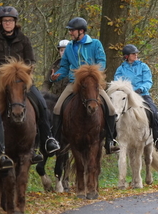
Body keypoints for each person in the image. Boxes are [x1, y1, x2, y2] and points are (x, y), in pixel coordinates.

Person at [0, 6, 61, 162]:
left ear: (15, 22)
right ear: (0, 23)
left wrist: (22, 72)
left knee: (42, 103)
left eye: (10, 21)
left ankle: (47, 139)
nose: (7, 23)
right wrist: (1, 72)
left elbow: (31, 61)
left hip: (21, 82)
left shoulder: (24, 39)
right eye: (5, 21)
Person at [50, 17, 120, 154]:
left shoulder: (95, 44)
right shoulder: (69, 47)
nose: (70, 33)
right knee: (57, 108)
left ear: (81, 31)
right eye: (70, 30)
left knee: (111, 109)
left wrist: (91, 76)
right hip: (74, 83)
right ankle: (55, 141)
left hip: (92, 84)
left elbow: (101, 62)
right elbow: (64, 66)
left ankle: (110, 141)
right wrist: (56, 76)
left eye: (72, 30)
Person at [114, 44, 158, 150]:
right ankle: (111, 140)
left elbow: (148, 81)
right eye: (133, 53)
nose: (136, 55)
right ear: (127, 56)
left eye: (136, 53)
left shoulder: (143, 66)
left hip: (142, 95)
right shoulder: (120, 69)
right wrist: (126, 91)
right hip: (126, 96)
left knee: (153, 111)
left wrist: (140, 89)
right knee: (113, 112)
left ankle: (157, 139)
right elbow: (117, 82)